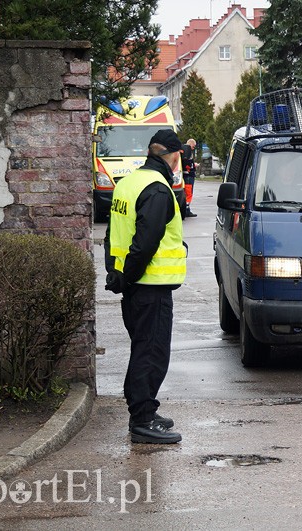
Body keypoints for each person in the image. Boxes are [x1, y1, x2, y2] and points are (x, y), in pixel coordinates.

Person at [104, 128, 187, 445]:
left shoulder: (128, 183)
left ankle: (146, 411)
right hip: (149, 286)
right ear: (174, 156)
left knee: (142, 348)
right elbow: (145, 242)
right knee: (151, 353)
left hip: (133, 286)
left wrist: (116, 272)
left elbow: (114, 235)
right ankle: (141, 420)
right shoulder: (158, 189)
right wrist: (130, 275)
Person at [181, 138, 198, 217]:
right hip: (188, 176)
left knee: (187, 193)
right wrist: (194, 166)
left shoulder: (184, 152)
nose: (193, 148)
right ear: (190, 144)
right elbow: (187, 165)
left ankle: (186, 209)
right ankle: (187, 210)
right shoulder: (187, 152)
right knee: (188, 193)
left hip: (187, 175)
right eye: (193, 146)